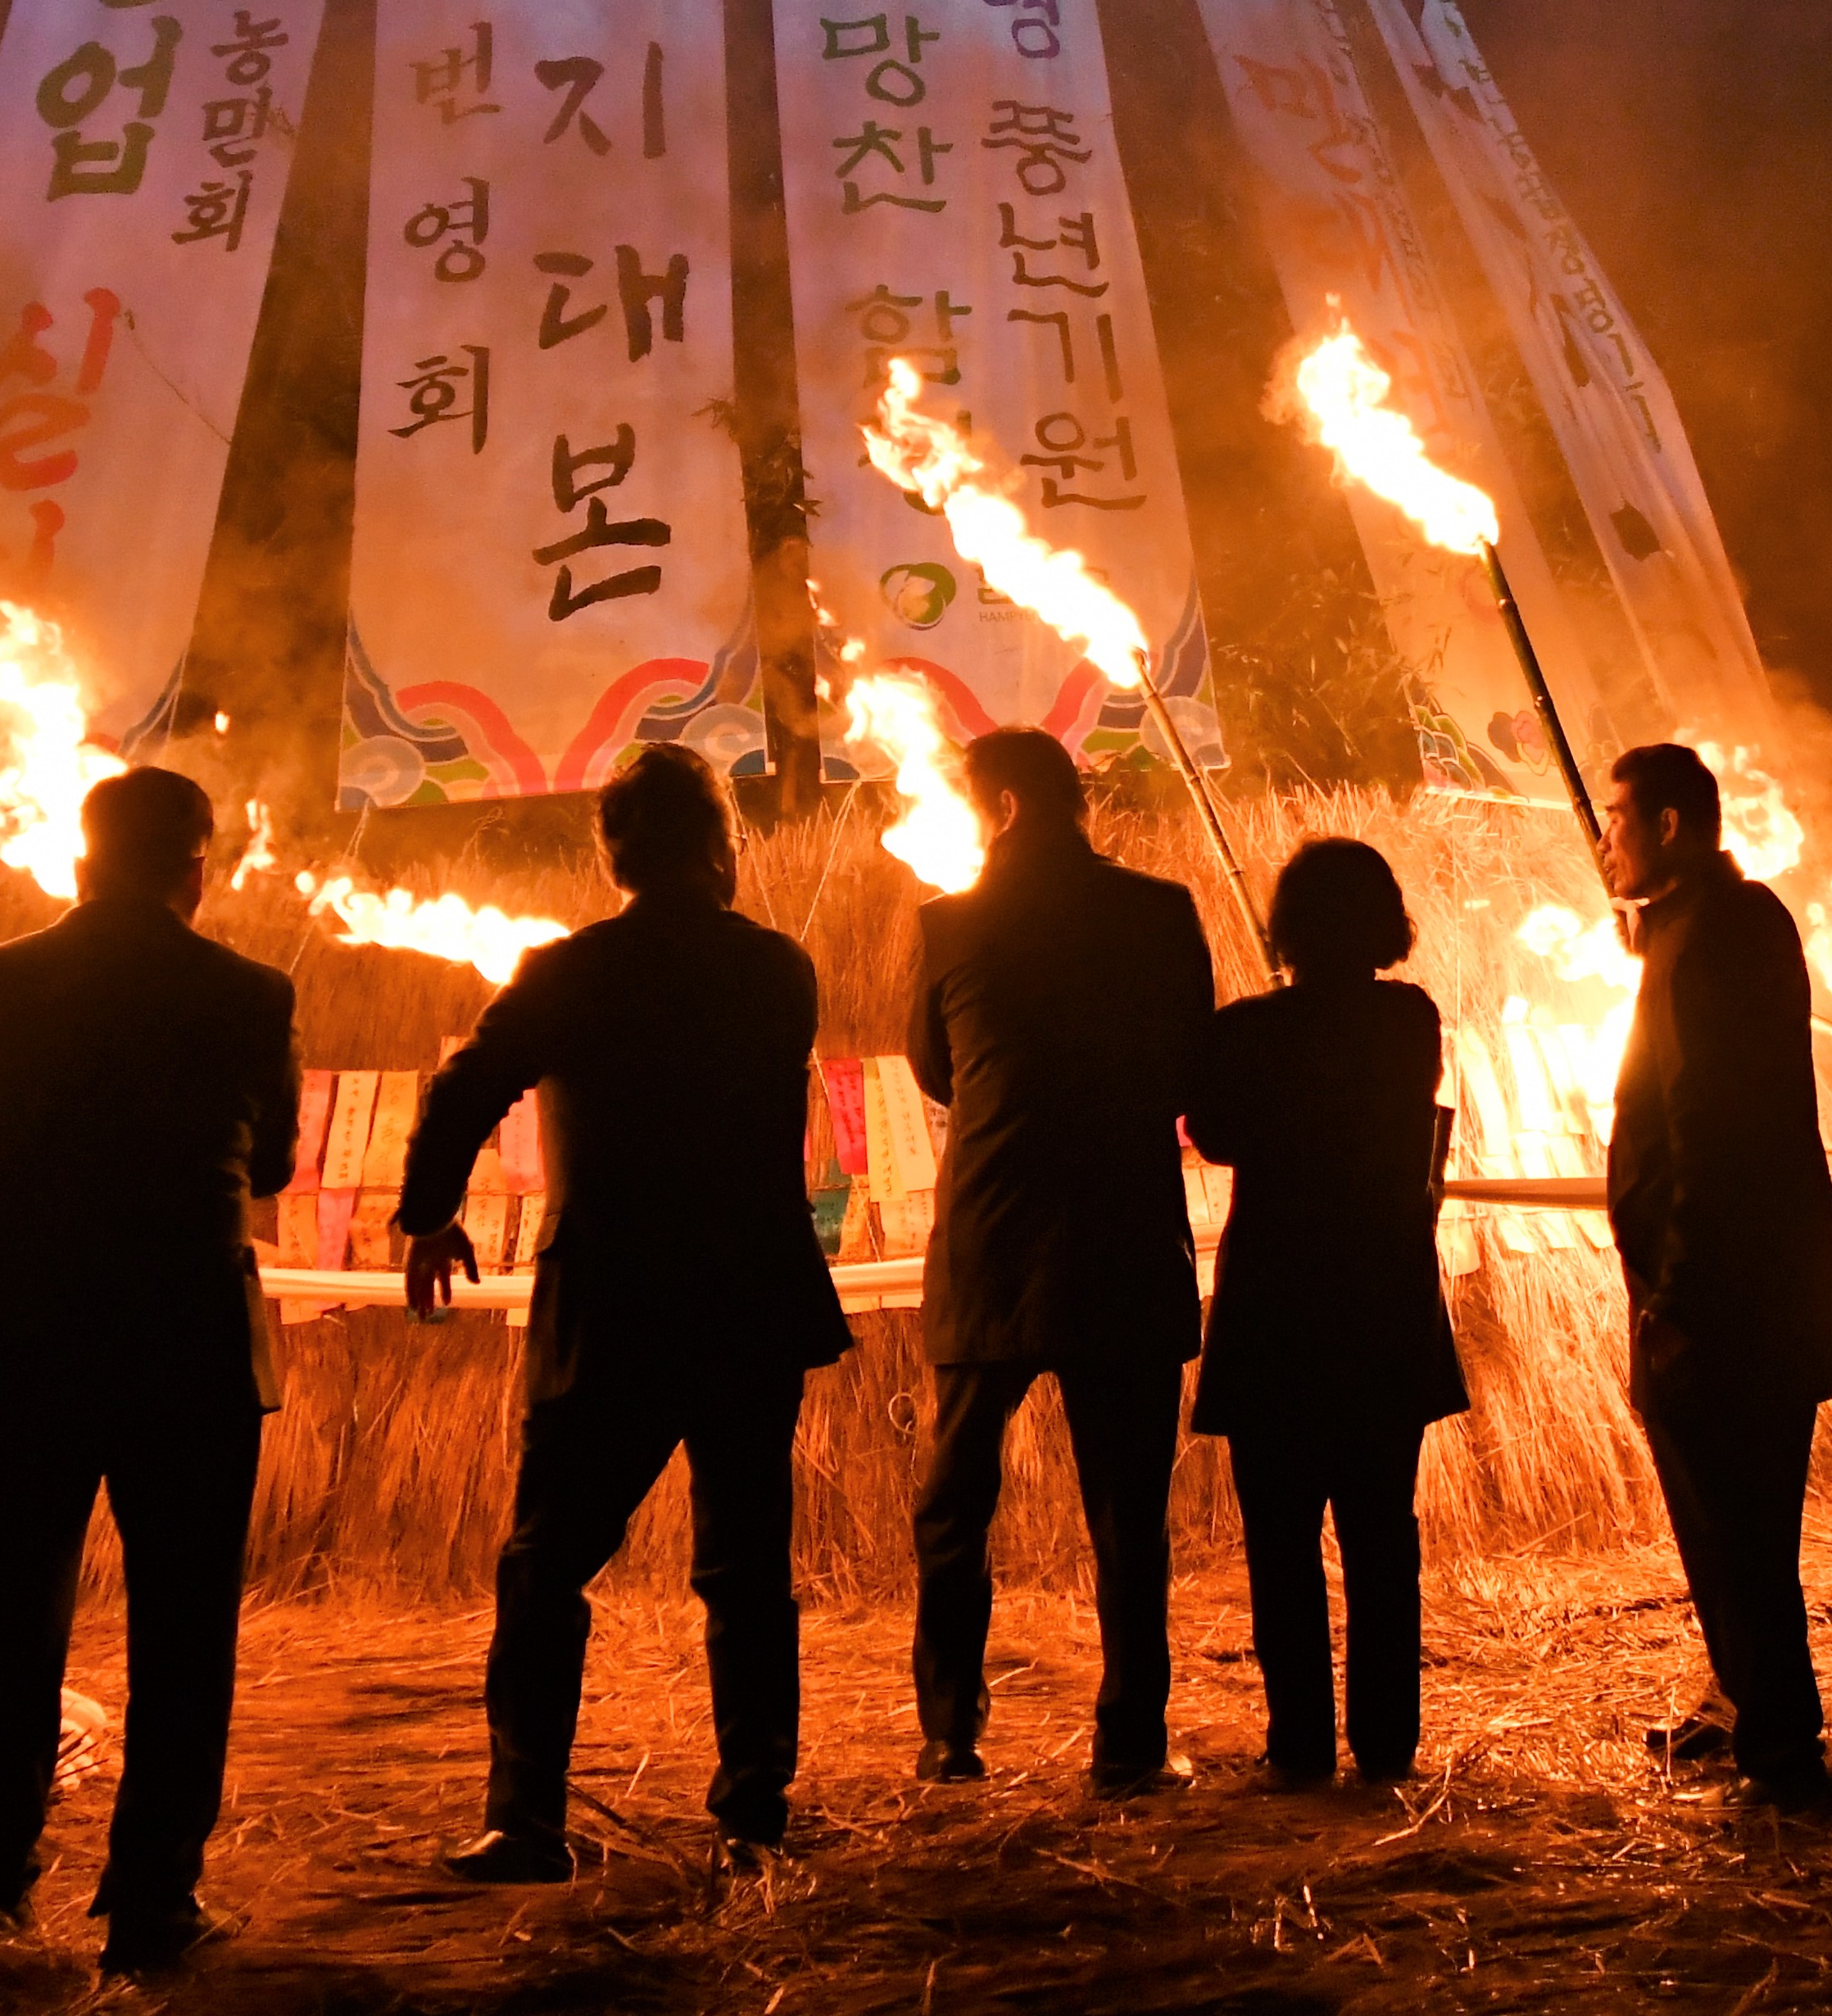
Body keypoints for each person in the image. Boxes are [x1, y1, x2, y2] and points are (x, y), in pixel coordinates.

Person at [394, 745, 850, 1878]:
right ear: (718, 848)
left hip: (612, 1301)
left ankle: (526, 1818)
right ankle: (754, 1807)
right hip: (747, 1297)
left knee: (548, 1563)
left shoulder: (568, 973)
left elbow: (464, 1088)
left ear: (615, 855)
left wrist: (427, 1214)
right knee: (747, 1566)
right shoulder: (777, 973)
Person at [0, 765, 299, 1970]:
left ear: (81, 859)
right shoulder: (247, 993)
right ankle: (153, 1897)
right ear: (196, 867)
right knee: (186, 1632)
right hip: (186, 1347)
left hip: (23, 1345)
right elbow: (272, 1165)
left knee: (10, 1624)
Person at [904, 727, 1218, 1789]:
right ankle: (1131, 1736)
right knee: (1128, 1509)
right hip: (1121, 1237)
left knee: (958, 1502)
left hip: (993, 1237)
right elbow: (1193, 1065)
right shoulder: (1158, 913)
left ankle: (951, 1734)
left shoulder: (951, 925)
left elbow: (937, 1072)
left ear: (999, 808)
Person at [1600, 741, 1832, 1801]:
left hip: (1721, 1296)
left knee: (1737, 1529)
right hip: (1735, 1288)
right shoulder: (1715, 924)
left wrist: (1675, 1289)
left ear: (1671, 825)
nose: (1605, 839)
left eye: (1618, 818)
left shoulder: (1715, 935)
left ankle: (1777, 1738)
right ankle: (1754, 1709)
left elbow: (1708, 1125)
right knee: (1741, 1528)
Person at [1180, 837, 1469, 1786]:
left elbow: (1214, 1133)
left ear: (1288, 925)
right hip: (1383, 1302)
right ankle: (1386, 1742)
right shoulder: (1410, 1020)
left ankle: (1300, 1743)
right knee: (1383, 1532)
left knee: (1282, 1542)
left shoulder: (1245, 1032)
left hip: (1278, 1310)